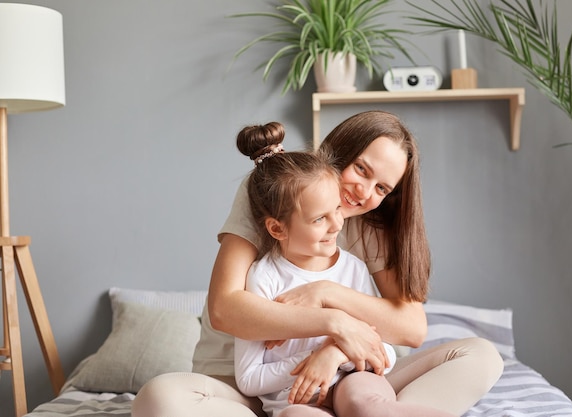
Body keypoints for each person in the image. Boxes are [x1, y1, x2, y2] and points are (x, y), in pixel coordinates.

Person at [132, 111, 503, 417]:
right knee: (159, 398)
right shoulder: (277, 191)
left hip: (349, 381)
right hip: (246, 391)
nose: (364, 192)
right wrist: (334, 322)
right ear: (339, 152)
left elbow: (410, 328)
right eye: (361, 169)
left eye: (382, 188)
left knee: (482, 356)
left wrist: (327, 304)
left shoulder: (368, 230)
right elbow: (225, 309)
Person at [232, 122, 411, 417]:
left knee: (367, 402)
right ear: (277, 228)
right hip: (297, 402)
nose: (337, 225)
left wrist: (334, 354)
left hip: (353, 383)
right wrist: (314, 357)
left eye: (337, 210)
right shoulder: (263, 277)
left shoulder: (353, 269)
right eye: (319, 219)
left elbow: (383, 352)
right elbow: (250, 379)